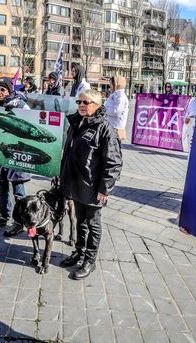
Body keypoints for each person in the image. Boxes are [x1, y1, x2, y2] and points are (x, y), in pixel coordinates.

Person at [59, 89, 123, 280]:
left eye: (86, 102)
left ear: (96, 105)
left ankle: (90, 260)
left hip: (93, 187)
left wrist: (105, 188)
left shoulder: (104, 128)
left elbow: (113, 162)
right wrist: (62, 175)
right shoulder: (76, 123)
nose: (81, 105)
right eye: (79, 101)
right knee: (80, 221)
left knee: (93, 223)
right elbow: (67, 152)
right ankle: (79, 252)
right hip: (76, 184)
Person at [0, 78, 32, 236]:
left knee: (18, 189)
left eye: (3, 90)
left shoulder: (21, 105)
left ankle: (20, 221)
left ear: (10, 91)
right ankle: (4, 216)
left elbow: (30, 126)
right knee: (2, 187)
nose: (0, 93)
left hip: (16, 153)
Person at [104, 75, 130, 141]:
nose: (110, 85)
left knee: (113, 148)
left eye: (111, 84)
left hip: (116, 127)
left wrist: (104, 109)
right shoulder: (115, 94)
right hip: (111, 125)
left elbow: (116, 111)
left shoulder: (121, 96)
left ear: (117, 84)